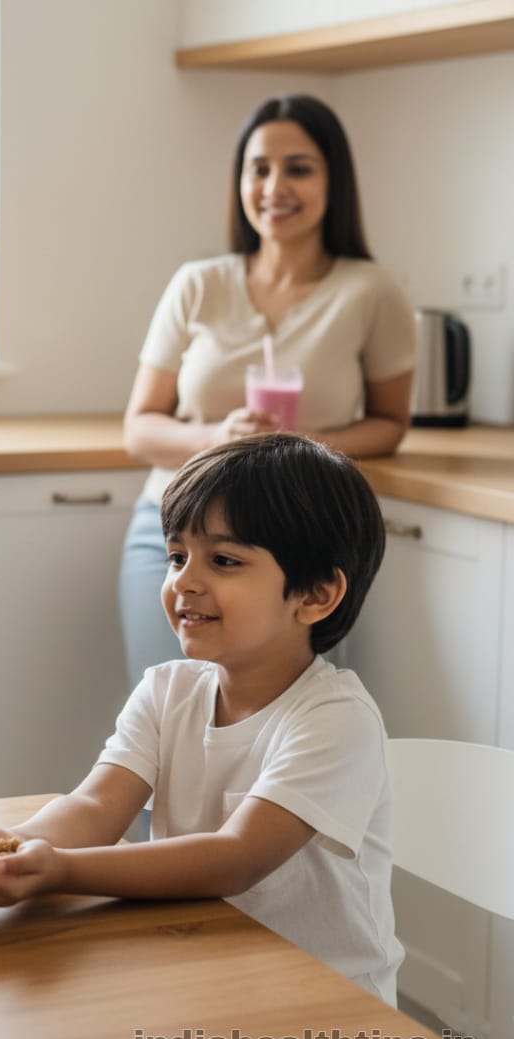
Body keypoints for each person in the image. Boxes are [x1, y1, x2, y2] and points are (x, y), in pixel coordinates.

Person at [0, 433, 404, 1005]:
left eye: (223, 560)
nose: (184, 582)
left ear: (316, 596)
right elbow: (97, 807)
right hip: (205, 975)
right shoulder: (167, 689)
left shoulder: (335, 718)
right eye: (176, 557)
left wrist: (60, 872)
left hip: (329, 1010)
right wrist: (16, 848)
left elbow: (235, 859)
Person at [119, 93, 416, 687]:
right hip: (174, 532)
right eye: (259, 168)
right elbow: (141, 427)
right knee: (165, 720)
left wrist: (302, 445)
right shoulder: (198, 285)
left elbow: (390, 422)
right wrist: (217, 438)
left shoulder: (371, 291)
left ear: (334, 181)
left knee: (288, 725)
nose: (275, 186)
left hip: (297, 541)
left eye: (298, 168)